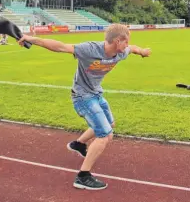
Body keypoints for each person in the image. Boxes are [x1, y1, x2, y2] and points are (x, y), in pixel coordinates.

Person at [17, 23, 151, 190]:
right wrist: (32, 39)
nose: (127, 45)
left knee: (109, 125)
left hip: (96, 94)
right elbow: (61, 47)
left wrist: (143, 52)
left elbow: (134, 48)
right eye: (125, 42)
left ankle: (79, 144)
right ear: (117, 41)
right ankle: (83, 176)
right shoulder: (89, 49)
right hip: (82, 97)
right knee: (105, 135)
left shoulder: (121, 53)